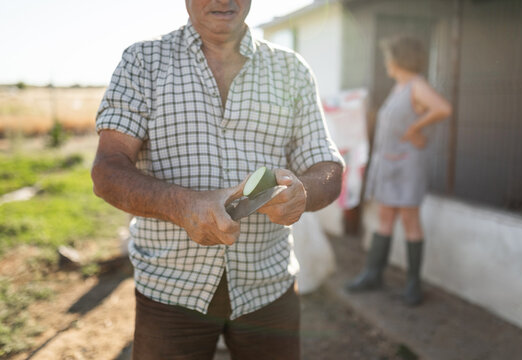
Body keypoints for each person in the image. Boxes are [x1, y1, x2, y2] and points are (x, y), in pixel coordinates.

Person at [91, 1, 344, 359]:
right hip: (169, 293)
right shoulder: (143, 62)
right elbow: (107, 171)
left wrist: (304, 192)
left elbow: (328, 167)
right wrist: (183, 206)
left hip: (268, 289)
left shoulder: (292, 70)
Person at [346, 35, 452, 306]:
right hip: (390, 162)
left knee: (409, 220)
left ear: (399, 59)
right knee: (385, 217)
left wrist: (414, 129)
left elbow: (443, 108)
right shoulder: (399, 87)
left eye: (389, 57)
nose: (387, 62)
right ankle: (373, 274)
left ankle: (413, 285)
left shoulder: (417, 85)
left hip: (407, 164)